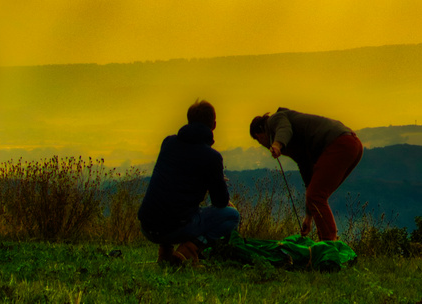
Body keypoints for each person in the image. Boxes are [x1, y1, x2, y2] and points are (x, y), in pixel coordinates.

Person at [137, 100, 240, 267]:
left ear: (188, 120)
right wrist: (214, 181)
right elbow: (220, 201)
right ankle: (187, 252)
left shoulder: (168, 143)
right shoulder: (212, 157)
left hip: (148, 226)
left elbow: (174, 183)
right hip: (176, 228)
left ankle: (165, 254)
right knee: (231, 215)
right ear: (214, 125)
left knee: (169, 199)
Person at [249, 108, 363, 241]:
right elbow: (307, 172)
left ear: (259, 135)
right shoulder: (293, 144)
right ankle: (326, 243)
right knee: (316, 194)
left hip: (340, 143)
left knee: (316, 195)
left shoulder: (275, 119)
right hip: (352, 145)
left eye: (259, 141)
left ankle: (329, 244)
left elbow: (285, 129)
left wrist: (277, 144)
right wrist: (308, 217)